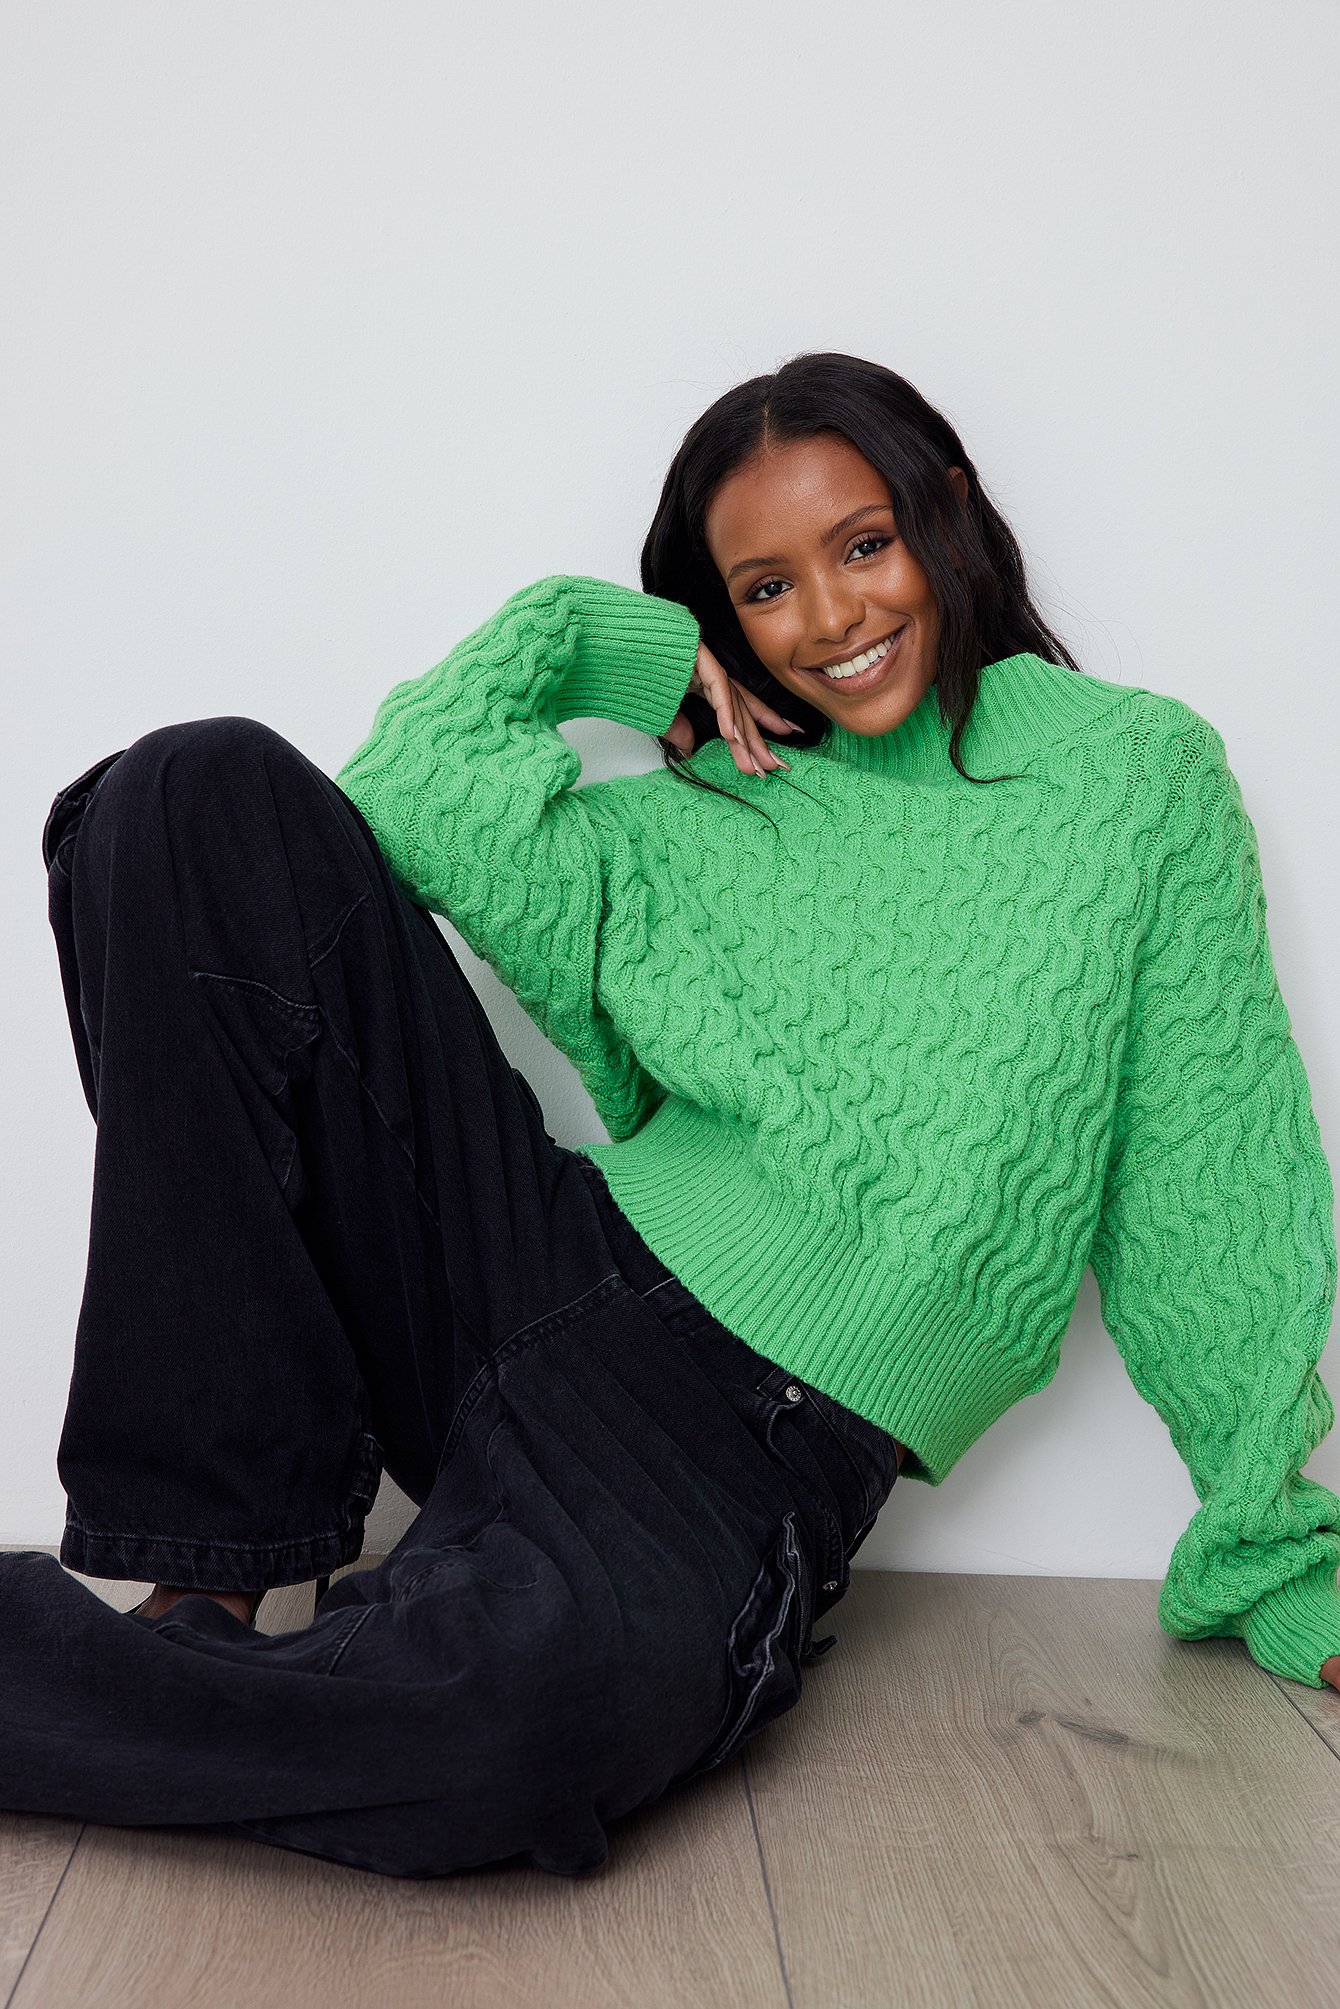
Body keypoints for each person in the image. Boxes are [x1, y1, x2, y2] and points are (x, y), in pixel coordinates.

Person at [4, 351, 1338, 1882]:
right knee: (184, 796)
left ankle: (193, 1687)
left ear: (947, 510)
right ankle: (207, 1585)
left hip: (730, 1458)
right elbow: (401, 799)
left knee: (509, 1742)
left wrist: (1276, 1545)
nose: (830, 617)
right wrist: (601, 646)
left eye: (862, 544)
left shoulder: (1139, 781)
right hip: (533, 1267)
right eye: (766, 587)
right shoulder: (697, 807)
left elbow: (1209, 1180)